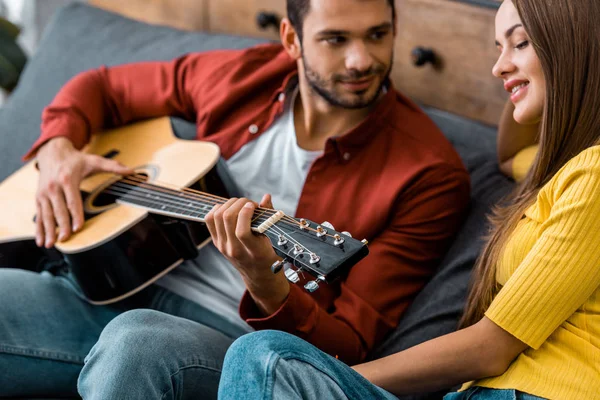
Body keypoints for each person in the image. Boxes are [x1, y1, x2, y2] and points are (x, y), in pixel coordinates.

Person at [0, 0, 470, 398]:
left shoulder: (428, 173)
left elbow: (346, 349)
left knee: (134, 342)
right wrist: (57, 150)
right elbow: (101, 87)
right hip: (102, 285)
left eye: (377, 35)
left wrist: (262, 279)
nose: (360, 60)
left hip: (224, 339)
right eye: (335, 39)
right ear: (291, 39)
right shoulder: (246, 74)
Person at [218, 0, 600, 399]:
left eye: (519, 43)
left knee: (266, 356)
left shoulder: (594, 174)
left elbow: (492, 347)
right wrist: (530, 75)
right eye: (497, 48)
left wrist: (331, 378)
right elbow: (507, 156)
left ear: (570, 48)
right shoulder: (560, 168)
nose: (498, 66)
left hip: (537, 392)